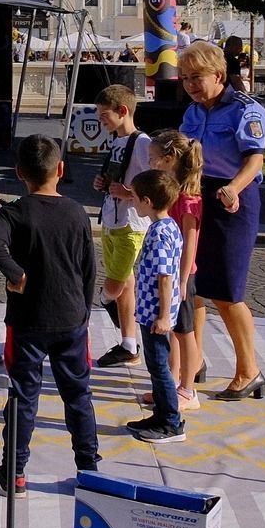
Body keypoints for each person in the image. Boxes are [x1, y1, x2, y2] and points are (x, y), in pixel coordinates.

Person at [0, 135, 99, 497]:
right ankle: (90, 472)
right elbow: (89, 269)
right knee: (78, 395)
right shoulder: (78, 212)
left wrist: (16, 274)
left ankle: (13, 473)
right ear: (60, 170)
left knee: (23, 396)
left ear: (18, 173)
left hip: (28, 321)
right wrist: (84, 312)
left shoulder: (13, 212)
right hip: (71, 317)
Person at [178, 41, 265, 400]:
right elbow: (184, 153)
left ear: (218, 74)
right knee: (193, 286)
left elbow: (255, 161)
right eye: (184, 79)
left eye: (196, 78)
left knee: (228, 293)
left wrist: (233, 189)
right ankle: (193, 362)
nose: (190, 85)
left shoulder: (246, 110)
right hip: (198, 196)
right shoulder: (193, 112)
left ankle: (250, 371)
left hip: (234, 200)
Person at [92, 85, 151, 368]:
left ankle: (103, 301)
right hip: (112, 219)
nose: (101, 122)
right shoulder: (116, 141)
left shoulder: (142, 143)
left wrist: (129, 193)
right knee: (125, 283)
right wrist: (102, 183)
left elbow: (156, 183)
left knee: (114, 285)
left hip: (131, 223)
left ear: (122, 111)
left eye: (105, 116)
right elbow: (115, 175)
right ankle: (129, 343)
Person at [146, 131, 205, 412]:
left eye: (152, 159)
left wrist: (182, 281)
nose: (150, 163)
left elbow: (190, 242)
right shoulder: (174, 192)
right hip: (172, 271)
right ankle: (170, 385)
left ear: (168, 159)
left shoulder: (188, 198)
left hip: (182, 273)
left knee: (184, 332)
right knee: (175, 331)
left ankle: (188, 389)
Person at [125, 170, 185, 444]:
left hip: (155, 314)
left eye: (136, 198)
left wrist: (162, 316)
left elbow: (164, 276)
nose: (134, 203)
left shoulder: (160, 232)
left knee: (159, 367)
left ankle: (171, 422)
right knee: (156, 365)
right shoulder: (169, 226)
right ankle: (161, 414)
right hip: (154, 311)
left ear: (147, 201)